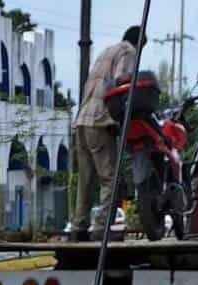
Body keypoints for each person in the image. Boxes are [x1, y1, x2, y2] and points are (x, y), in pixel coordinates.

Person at [71, 25, 147, 241]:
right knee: (110, 179)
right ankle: (101, 229)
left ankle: (79, 228)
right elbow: (122, 81)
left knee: (85, 180)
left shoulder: (106, 51)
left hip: (82, 121)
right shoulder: (128, 52)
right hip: (100, 120)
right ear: (139, 43)